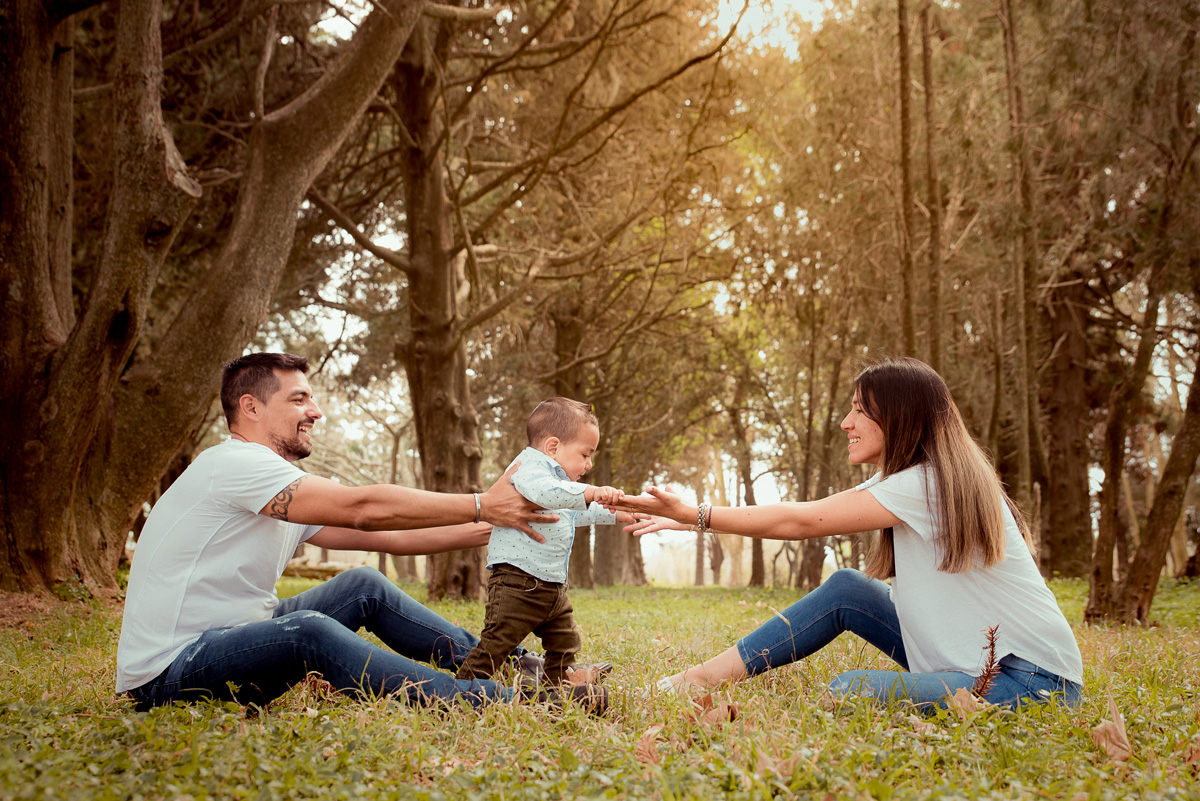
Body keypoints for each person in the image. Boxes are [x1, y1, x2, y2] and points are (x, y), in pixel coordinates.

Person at [116, 353, 604, 713]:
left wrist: (496, 522)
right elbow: (363, 510)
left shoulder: (267, 481)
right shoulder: (235, 463)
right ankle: (490, 699)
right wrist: (482, 503)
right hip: (173, 667)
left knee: (362, 585)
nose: (315, 410)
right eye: (299, 399)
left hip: (239, 631)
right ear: (251, 407)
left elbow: (391, 538)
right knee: (308, 631)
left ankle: (522, 668)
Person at [618, 357, 1083, 709]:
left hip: (1031, 682)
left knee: (852, 689)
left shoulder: (928, 484)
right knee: (848, 589)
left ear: (899, 416)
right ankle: (697, 679)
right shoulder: (915, 480)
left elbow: (801, 521)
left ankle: (697, 681)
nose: (846, 422)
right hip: (980, 665)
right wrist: (687, 518)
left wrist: (697, 514)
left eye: (860, 410)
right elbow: (800, 514)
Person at [457, 398, 630, 688]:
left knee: (565, 644)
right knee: (496, 644)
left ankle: (555, 691)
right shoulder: (529, 469)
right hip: (517, 584)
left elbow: (569, 512)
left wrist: (616, 514)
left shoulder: (559, 484)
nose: (589, 464)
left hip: (552, 588)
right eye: (585, 454)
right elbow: (548, 494)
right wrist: (591, 491)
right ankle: (461, 692)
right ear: (553, 447)